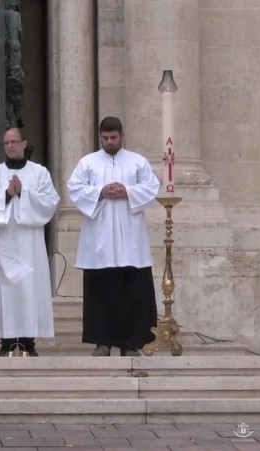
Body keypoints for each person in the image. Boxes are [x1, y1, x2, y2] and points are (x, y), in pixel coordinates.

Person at [67, 116, 160, 357]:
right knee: (101, 291)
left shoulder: (137, 162)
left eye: (113, 138)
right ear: (100, 138)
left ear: (122, 136)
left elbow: (152, 187)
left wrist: (128, 191)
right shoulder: (88, 163)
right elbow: (74, 188)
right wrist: (100, 191)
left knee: (132, 290)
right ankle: (103, 342)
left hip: (130, 237)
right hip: (99, 237)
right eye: (105, 138)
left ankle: (131, 343)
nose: (109, 142)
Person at [0, 127, 59, 357]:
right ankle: (7, 341)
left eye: (14, 142)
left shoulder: (39, 173)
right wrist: (6, 194)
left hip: (30, 243)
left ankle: (28, 342)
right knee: (7, 289)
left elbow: (51, 201)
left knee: (30, 287)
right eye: (6, 143)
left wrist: (23, 192)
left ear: (24, 143)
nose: (10, 146)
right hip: (5, 241)